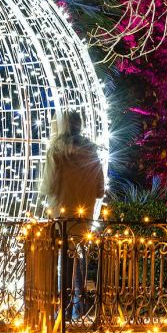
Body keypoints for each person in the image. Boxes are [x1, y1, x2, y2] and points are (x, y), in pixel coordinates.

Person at [39, 110, 104, 320]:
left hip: (61, 214)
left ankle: (62, 314)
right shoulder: (92, 152)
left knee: (62, 264)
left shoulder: (56, 151)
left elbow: (47, 187)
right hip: (83, 214)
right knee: (79, 260)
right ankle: (78, 310)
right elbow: (100, 189)